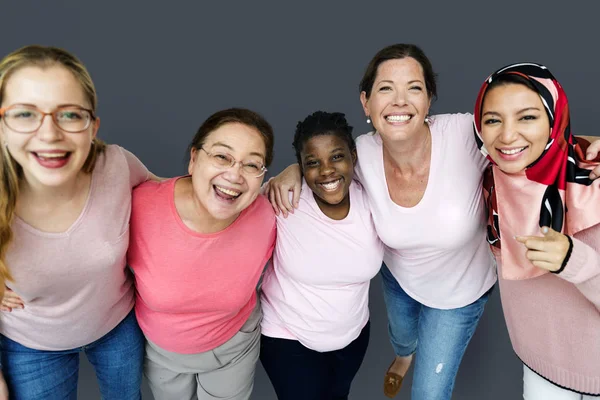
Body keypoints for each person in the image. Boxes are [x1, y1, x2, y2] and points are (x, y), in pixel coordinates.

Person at [264, 44, 600, 400]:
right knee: (403, 333)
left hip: (459, 295)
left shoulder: (465, 135)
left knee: (429, 394)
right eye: (385, 89)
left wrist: (589, 144)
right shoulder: (360, 152)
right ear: (366, 103)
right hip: (398, 277)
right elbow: (325, 163)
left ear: (429, 100)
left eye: (413, 87)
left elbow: (525, 138)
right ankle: (403, 356)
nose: (399, 100)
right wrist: (293, 170)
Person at [0, 45, 154, 399]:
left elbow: (180, 200)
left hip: (116, 325)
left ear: (92, 126)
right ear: (3, 126)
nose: (50, 134)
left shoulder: (115, 165)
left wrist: (287, 178)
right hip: (31, 345)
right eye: (25, 114)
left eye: (69, 115)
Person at [127, 108, 276, 400]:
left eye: (251, 165)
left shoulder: (268, 215)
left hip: (235, 346)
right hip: (161, 351)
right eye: (222, 156)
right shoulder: (139, 206)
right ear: (194, 159)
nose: (234, 175)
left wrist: (293, 172)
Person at [474, 62, 600, 399]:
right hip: (539, 366)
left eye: (527, 117)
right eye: (492, 120)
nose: (507, 135)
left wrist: (575, 261)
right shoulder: (490, 184)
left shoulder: (594, 185)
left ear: (554, 119)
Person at [259, 111, 384, 400]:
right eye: (312, 163)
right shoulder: (284, 199)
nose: (326, 171)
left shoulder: (372, 198)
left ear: (353, 155)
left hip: (352, 336)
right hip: (287, 336)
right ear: (302, 167)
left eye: (337, 157)